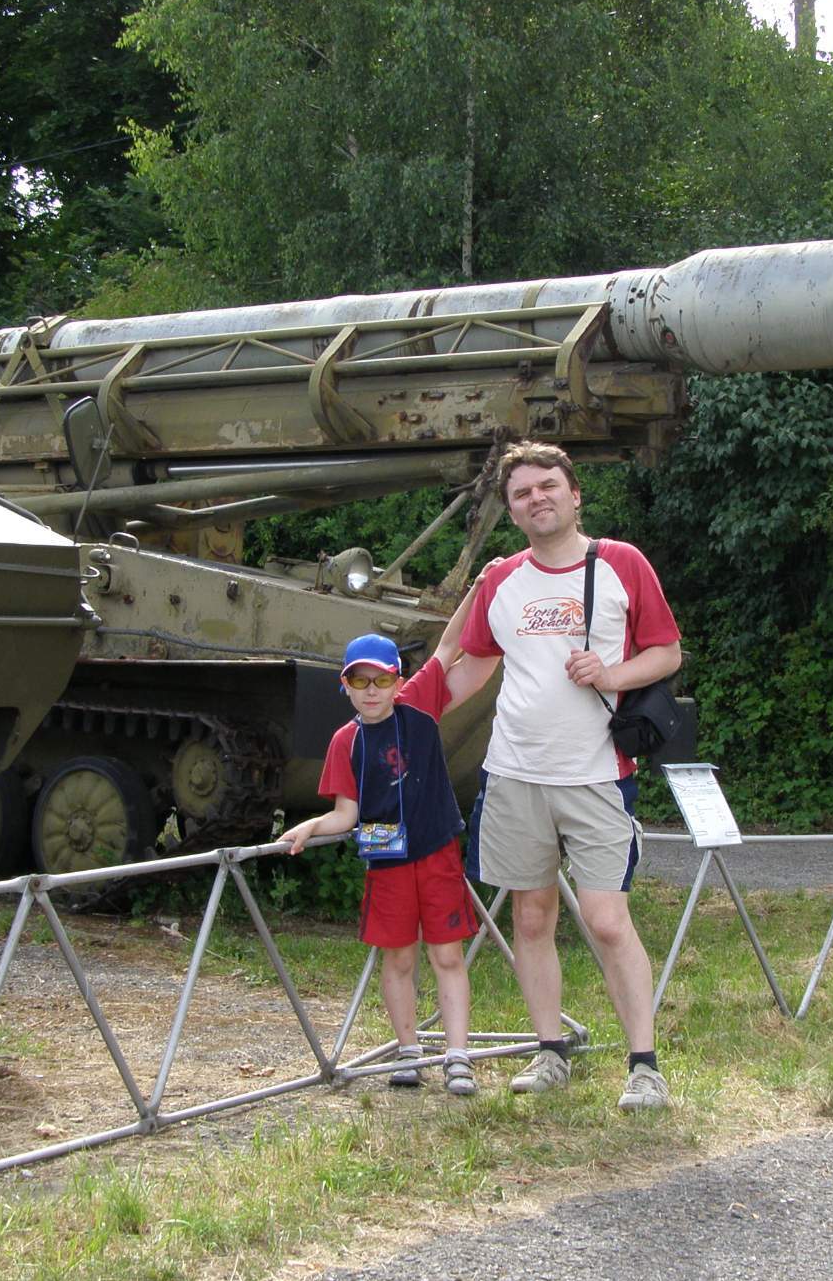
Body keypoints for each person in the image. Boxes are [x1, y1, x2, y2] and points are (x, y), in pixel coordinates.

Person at [442, 441, 682, 1111]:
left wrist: (613, 674)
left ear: (575, 495)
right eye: (522, 493)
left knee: (607, 919)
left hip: (596, 773)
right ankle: (549, 1052)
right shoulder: (500, 581)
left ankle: (645, 1064)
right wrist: (407, 708)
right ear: (513, 510)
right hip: (515, 772)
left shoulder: (622, 564)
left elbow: (666, 651)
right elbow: (472, 666)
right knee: (532, 913)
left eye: (548, 486)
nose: (536, 498)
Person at [279, 633, 480, 1096]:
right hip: (387, 858)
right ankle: (408, 1051)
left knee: (447, 954)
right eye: (360, 679)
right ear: (344, 685)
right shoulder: (344, 741)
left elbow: (448, 647)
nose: (372, 690)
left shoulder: (421, 711)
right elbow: (345, 814)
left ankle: (458, 1056)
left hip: (435, 850)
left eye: (382, 678)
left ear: (398, 681)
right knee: (399, 957)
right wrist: (310, 827)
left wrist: (479, 588)